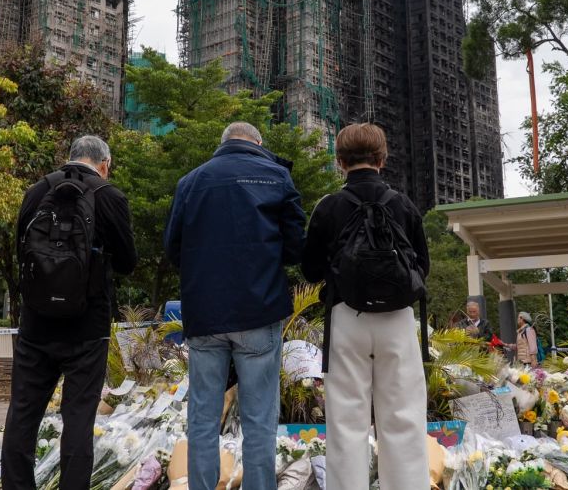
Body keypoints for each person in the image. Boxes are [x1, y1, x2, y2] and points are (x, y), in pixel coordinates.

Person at [165, 122, 306, 490]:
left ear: (222, 142)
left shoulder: (190, 182)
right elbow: (296, 247)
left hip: (205, 313)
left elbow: (173, 250)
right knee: (259, 418)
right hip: (259, 310)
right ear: (257, 143)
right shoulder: (275, 177)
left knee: (203, 416)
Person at [2, 135, 137, 490]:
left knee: (23, 414)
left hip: (35, 326)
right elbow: (127, 262)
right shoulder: (109, 196)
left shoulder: (36, 191)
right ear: (104, 164)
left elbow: (21, 251)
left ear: (70, 157)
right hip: (87, 329)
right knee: (78, 416)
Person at [301, 123, 430, 490]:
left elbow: (310, 271)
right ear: (382, 158)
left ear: (339, 161)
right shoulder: (403, 204)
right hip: (398, 321)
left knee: (346, 422)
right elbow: (422, 267)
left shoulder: (328, 206)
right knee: (404, 418)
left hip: (346, 317)